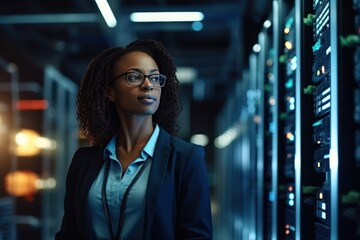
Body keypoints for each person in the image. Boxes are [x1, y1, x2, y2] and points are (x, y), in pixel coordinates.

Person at [55, 39, 213, 240]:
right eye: (134, 77)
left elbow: (197, 236)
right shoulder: (84, 161)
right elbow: (70, 233)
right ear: (110, 92)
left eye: (155, 78)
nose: (148, 85)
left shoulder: (186, 158)